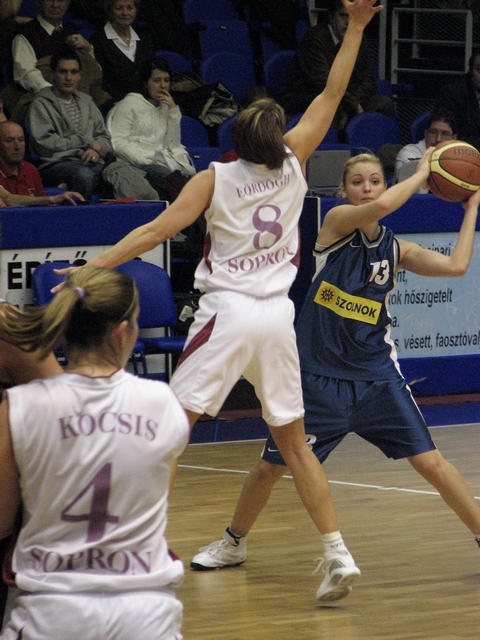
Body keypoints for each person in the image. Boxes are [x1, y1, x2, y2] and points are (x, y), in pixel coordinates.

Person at [53, 0, 383, 603]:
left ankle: (138, 548)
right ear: (275, 138)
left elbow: (154, 231)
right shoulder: (295, 162)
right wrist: (357, 26)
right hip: (278, 318)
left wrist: (92, 265)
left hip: (229, 313)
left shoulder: (215, 178)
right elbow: (333, 92)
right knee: (295, 444)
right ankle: (338, 552)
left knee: (167, 435)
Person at [189, 150, 480, 581]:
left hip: (378, 378)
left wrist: (471, 206)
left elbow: (457, 267)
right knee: (269, 469)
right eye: (357, 182)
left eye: (375, 181)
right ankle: (233, 542)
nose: (367, 189)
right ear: (343, 191)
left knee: (432, 463)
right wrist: (422, 173)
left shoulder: (395, 248)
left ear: (383, 184)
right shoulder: (335, 225)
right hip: (319, 379)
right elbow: (383, 207)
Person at [0, 267, 190, 639]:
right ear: (122, 332)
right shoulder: (163, 402)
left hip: (51, 610)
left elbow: (3, 521)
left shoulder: (19, 406)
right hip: (146, 612)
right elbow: (157, 497)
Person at [25, 47, 159, 201]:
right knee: (85, 176)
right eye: (63, 72)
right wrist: (87, 142)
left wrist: (97, 150)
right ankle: (79, 213)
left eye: (73, 72)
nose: (68, 77)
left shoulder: (87, 102)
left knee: (151, 173)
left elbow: (104, 138)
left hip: (94, 162)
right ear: (52, 75)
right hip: (57, 164)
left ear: (79, 76)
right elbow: (45, 144)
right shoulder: (41, 104)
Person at [282, 0, 394, 140]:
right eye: (343, 16)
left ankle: (371, 150)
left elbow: (369, 81)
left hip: (347, 99)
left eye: (352, 17)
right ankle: (332, 148)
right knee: (331, 106)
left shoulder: (360, 40)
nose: (348, 22)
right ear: (331, 17)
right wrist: (352, 104)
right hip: (311, 95)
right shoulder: (314, 39)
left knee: (383, 104)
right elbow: (323, 82)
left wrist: (352, 104)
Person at [2, 0, 113, 122]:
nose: (55, 5)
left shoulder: (72, 34)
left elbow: (95, 72)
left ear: (68, 4)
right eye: (50, 0)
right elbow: (26, 75)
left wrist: (88, 49)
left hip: (80, 99)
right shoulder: (25, 34)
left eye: (60, 0)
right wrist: (59, 95)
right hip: (45, 102)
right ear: (39, 3)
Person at [106, 57, 195, 201]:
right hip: (132, 164)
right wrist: (146, 160)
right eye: (156, 81)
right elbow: (117, 142)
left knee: (188, 175)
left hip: (160, 162)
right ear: (145, 83)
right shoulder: (129, 104)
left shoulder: (166, 107)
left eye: (166, 80)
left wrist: (173, 110)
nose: (163, 86)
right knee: (164, 174)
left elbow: (172, 144)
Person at [0, 120, 84, 206]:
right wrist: (51, 199)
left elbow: (41, 205)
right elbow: (8, 199)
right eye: (9, 141)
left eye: (21, 140)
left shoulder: (30, 170)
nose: (17, 146)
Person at [90, 0, 156, 103]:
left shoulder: (144, 39)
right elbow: (101, 81)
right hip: (116, 103)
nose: (125, 13)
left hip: (146, 101)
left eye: (130, 8)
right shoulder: (98, 41)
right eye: (119, 8)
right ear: (110, 11)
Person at [393, 108, 458, 190]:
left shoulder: (461, 158)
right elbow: (414, 191)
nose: (438, 139)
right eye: (433, 132)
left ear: (454, 139)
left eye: (445, 134)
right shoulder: (409, 153)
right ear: (426, 134)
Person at [437, 48, 480, 152]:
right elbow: (451, 134)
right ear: (471, 71)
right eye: (479, 70)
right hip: (462, 152)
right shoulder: (453, 93)